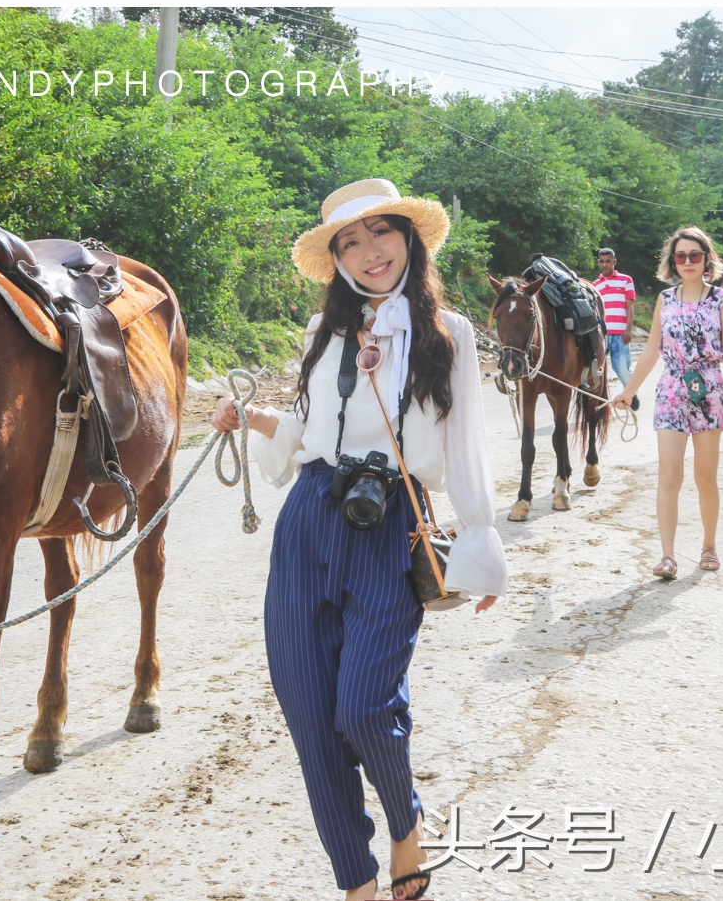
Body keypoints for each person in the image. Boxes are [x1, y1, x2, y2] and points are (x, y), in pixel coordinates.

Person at [211, 178, 507, 901]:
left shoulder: (448, 333)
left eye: (381, 232)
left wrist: (480, 545)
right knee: (311, 720)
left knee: (366, 709)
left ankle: (406, 823)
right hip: (309, 520)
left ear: (409, 238)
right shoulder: (324, 332)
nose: (370, 252)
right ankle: (356, 879)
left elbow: (464, 444)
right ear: (337, 259)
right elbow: (309, 433)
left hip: (391, 524)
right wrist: (248, 417)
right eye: (350, 242)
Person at [611, 225, 723, 581]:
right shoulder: (665, 299)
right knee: (669, 474)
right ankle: (667, 556)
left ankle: (709, 546)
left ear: (706, 259)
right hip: (671, 389)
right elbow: (651, 350)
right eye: (681, 256)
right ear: (673, 261)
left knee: (705, 475)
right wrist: (629, 390)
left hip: (710, 389)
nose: (688, 261)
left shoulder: (720, 299)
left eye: (695, 255)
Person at [591, 247, 639, 412]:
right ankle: (599, 403)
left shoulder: (626, 280)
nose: (605, 264)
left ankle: (632, 396)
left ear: (614, 262)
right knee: (598, 371)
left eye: (608, 261)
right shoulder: (595, 285)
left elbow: (629, 307)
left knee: (622, 368)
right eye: (602, 261)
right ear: (599, 263)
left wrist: (628, 330)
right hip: (601, 336)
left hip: (620, 334)